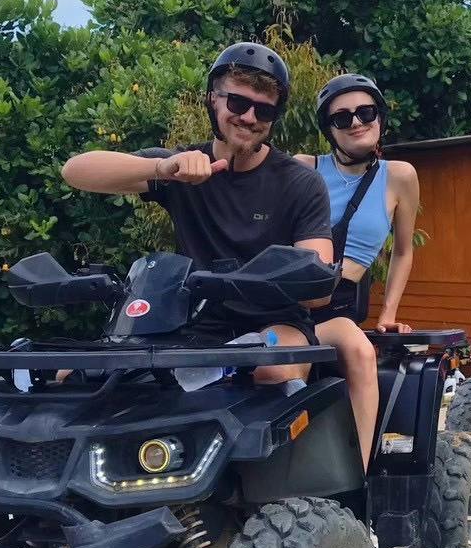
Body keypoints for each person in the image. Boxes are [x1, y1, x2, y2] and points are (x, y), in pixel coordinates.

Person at [60, 42, 332, 386]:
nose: (249, 117)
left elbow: (318, 290)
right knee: (75, 377)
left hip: (276, 323)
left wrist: (273, 278)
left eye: (264, 110)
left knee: (271, 369)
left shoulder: (300, 182)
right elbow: (75, 171)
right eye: (238, 103)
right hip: (191, 324)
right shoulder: (179, 167)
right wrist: (161, 168)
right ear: (212, 99)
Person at [294, 73, 420, 465]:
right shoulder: (304, 167)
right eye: (342, 117)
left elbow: (403, 251)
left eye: (365, 112)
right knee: (277, 368)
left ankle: (358, 475)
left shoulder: (399, 176)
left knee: (360, 352)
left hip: (338, 306)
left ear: (379, 116)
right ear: (329, 129)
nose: (356, 122)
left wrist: (388, 314)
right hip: (290, 303)